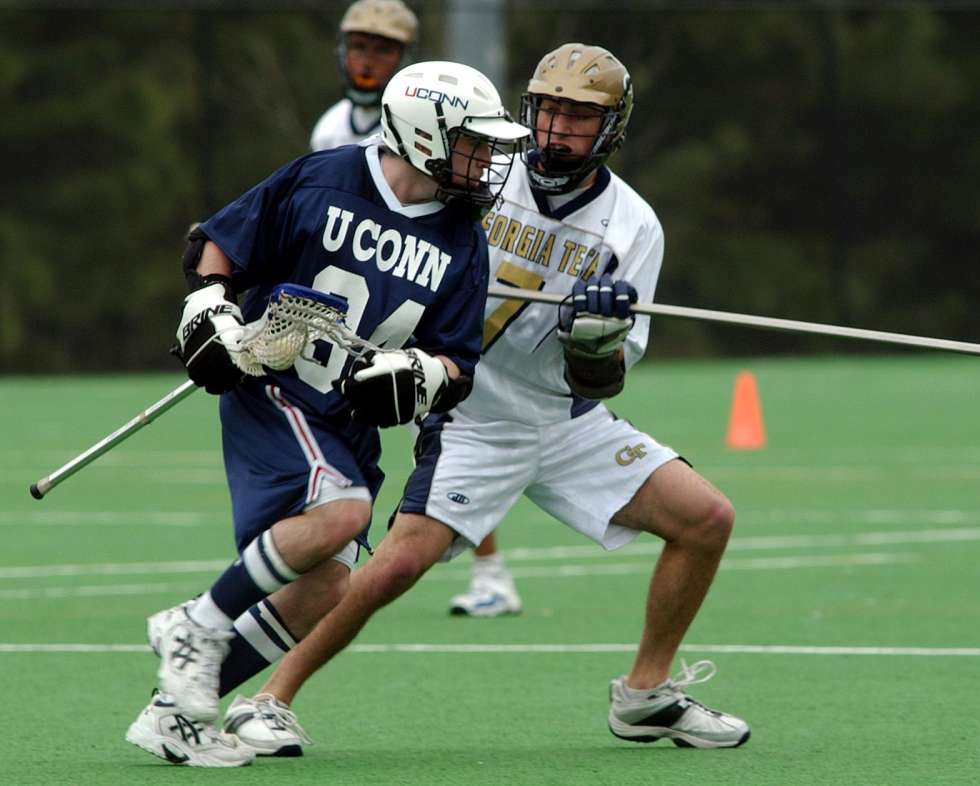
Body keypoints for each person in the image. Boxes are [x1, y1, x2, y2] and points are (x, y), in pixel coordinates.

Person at [249, 42, 751, 750]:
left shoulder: (633, 225)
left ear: (611, 128)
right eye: (547, 111)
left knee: (706, 519)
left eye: (580, 117)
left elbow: (602, 379)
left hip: (566, 421)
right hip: (473, 416)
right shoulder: (482, 172)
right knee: (397, 565)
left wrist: (596, 337)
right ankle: (269, 698)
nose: (557, 130)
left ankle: (644, 694)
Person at [123, 60, 529, 767]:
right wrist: (210, 304)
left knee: (325, 588)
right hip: (274, 386)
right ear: (425, 135)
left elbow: (459, 360)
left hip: (346, 420)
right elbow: (220, 241)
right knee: (342, 512)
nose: (486, 160)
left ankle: (172, 715)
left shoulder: (464, 238)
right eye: (472, 142)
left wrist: (425, 374)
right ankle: (197, 624)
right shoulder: (326, 177)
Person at [310, 0, 418, 152]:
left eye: (383, 50)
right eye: (358, 47)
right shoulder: (328, 131)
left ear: (404, 58)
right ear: (343, 52)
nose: (367, 62)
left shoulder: (416, 128)